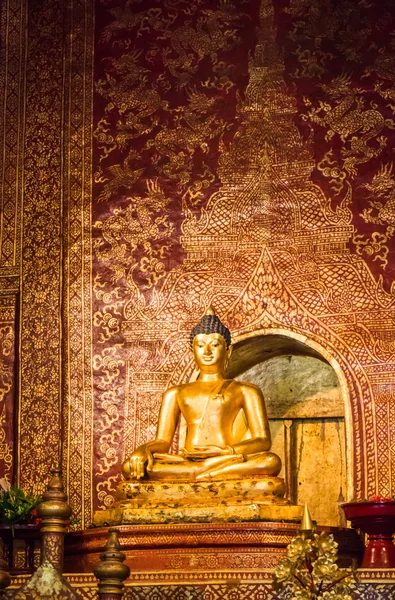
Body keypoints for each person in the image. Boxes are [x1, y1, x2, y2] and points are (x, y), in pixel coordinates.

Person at [122, 308, 282, 481]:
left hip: (225, 459)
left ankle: (207, 473)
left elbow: (262, 440)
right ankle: (205, 474)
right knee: (129, 467)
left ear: (228, 351)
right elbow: (163, 441)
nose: (207, 351)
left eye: (214, 345)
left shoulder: (245, 390)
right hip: (187, 460)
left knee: (271, 461)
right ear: (193, 352)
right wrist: (143, 450)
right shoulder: (176, 392)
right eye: (200, 345)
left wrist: (228, 451)